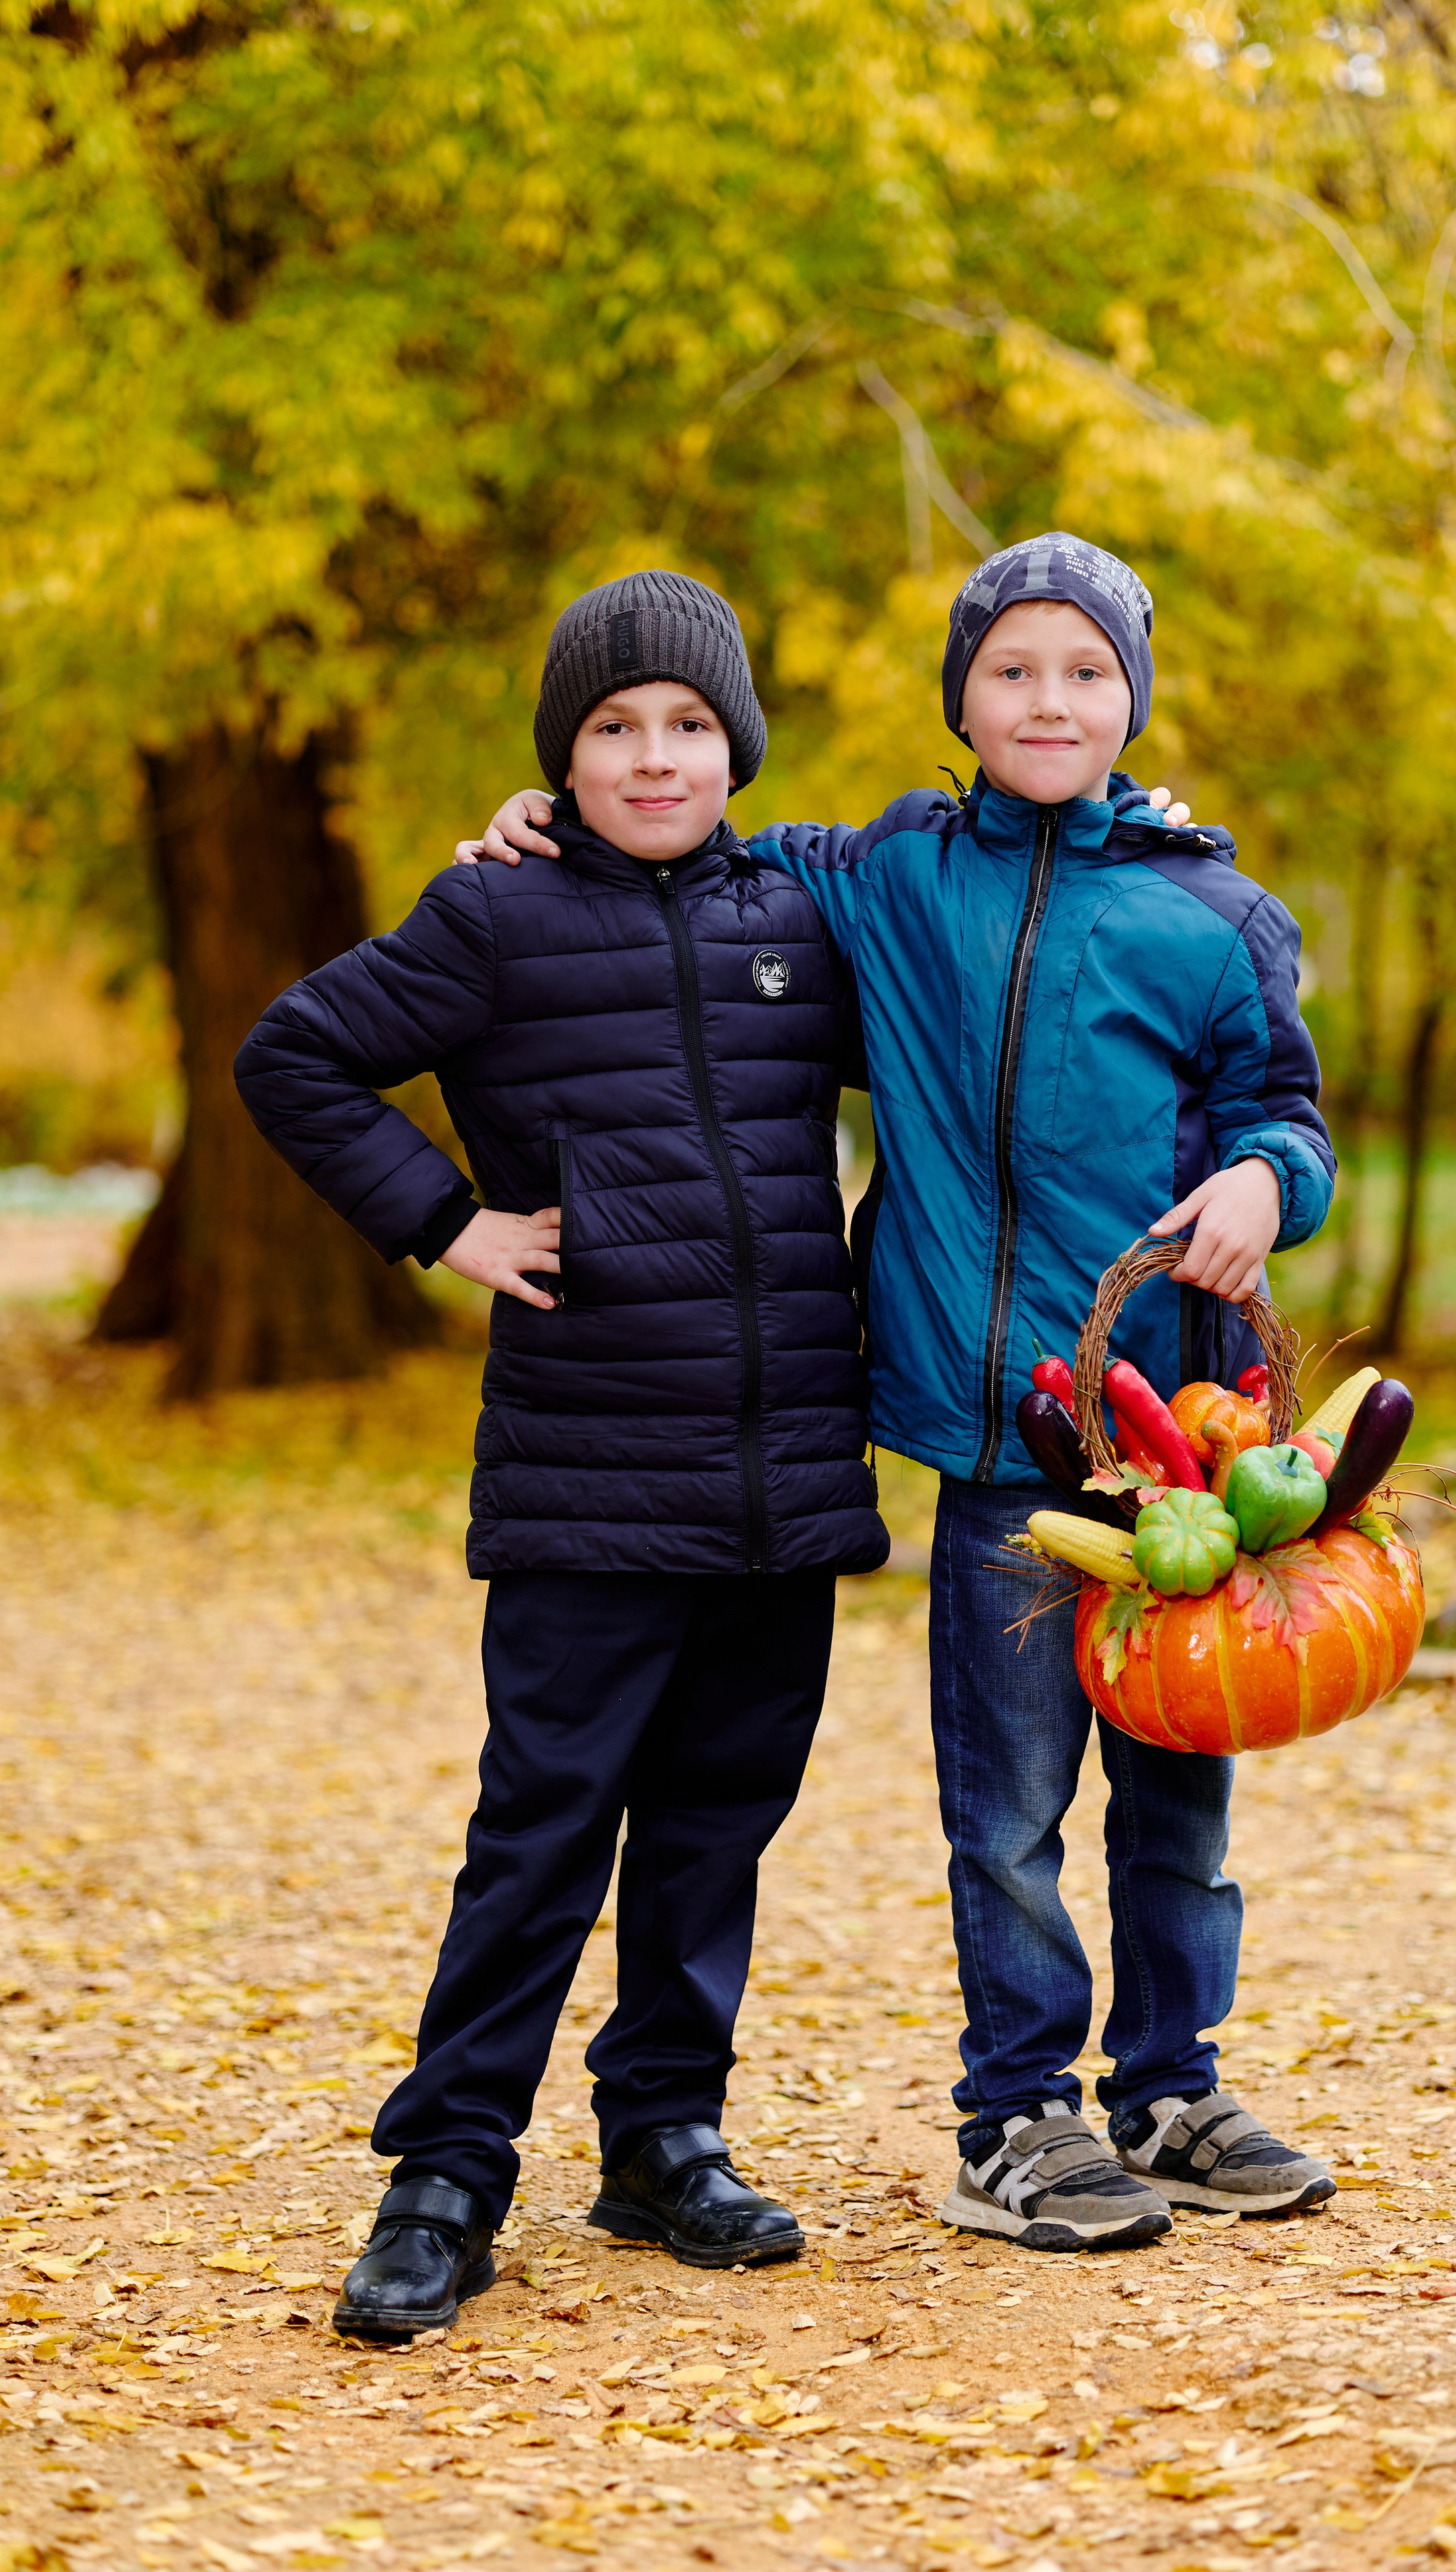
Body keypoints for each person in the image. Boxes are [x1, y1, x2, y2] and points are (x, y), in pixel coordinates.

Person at [468, 533, 1339, 2252]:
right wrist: (535, 824)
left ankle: (1169, 2082)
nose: (1047, 700)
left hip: (1194, 1444)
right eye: (1011, 670)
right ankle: (1014, 2114)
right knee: (1007, 1806)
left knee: (1180, 1792)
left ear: (1131, 700)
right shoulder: (877, 882)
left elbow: (1286, 1119)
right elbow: (679, 847)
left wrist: (1263, 1183)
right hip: (996, 1426)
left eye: (1084, 672)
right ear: (962, 698)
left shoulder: (1212, 913)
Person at [235, 571, 887, 2335]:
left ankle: (664, 2139)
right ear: (563, 758)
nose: (653, 757)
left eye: (687, 725)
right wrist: (446, 1221)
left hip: (781, 1469)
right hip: (589, 1467)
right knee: (542, 1829)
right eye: (613, 729)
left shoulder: (808, 914)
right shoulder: (494, 917)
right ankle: (446, 2173)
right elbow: (293, 1059)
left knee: (711, 1828)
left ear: (735, 745)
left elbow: (970, 873)